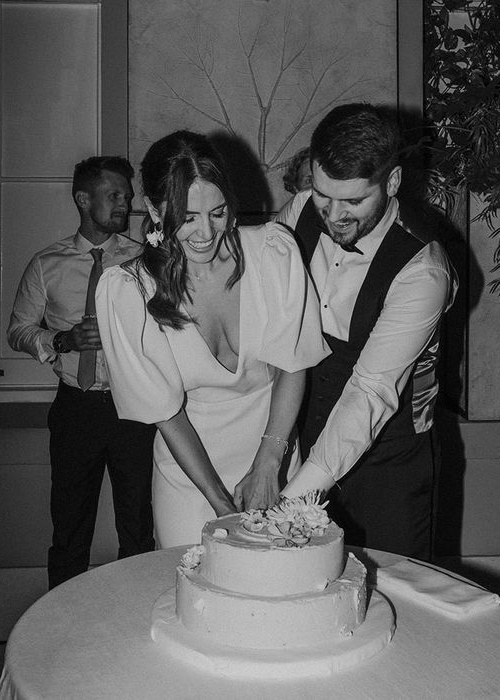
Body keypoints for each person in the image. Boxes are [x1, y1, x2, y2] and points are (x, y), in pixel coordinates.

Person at [96, 130, 329, 547]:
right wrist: (222, 504)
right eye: (186, 218)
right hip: (191, 478)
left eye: (218, 212)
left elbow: (294, 363)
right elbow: (167, 414)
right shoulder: (129, 289)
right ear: (152, 208)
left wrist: (269, 463)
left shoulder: (273, 253)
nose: (206, 232)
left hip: (273, 458)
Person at [276, 103, 458, 561]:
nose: (333, 215)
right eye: (323, 195)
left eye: (353, 202)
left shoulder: (423, 268)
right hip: (306, 437)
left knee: (394, 598)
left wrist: (295, 497)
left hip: (388, 462)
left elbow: (371, 390)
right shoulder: (300, 210)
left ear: (392, 182)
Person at [7, 156, 156, 589]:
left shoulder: (144, 261)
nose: (124, 205)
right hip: (76, 408)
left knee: (138, 529)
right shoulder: (45, 264)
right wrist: (62, 341)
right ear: (82, 198)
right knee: (70, 531)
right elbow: (18, 330)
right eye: (114, 196)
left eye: (126, 197)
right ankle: (61, 635)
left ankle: (136, 624)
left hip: (134, 409)